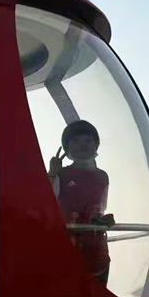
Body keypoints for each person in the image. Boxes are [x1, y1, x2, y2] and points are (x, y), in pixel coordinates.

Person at [49, 120, 114, 284]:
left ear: (95, 145)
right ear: (67, 148)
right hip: (67, 251)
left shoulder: (102, 177)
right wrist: (52, 173)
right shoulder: (61, 175)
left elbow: (100, 208)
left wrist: (104, 220)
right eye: (76, 141)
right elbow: (46, 202)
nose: (82, 145)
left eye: (87, 140)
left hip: (97, 255)